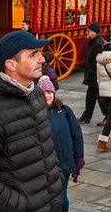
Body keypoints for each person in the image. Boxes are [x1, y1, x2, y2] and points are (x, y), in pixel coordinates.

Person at [0, 30, 64, 212]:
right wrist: (23, 204)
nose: (42, 60)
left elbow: (45, 149)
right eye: (33, 55)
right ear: (11, 64)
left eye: (39, 53)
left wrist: (57, 181)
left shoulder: (37, 95)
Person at [41, 78, 84, 212]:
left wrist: (79, 158)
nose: (47, 95)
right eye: (43, 93)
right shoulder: (36, 115)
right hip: (46, 167)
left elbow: (76, 134)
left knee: (62, 199)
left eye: (49, 92)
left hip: (64, 163)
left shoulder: (65, 111)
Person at [79, 23, 107, 124]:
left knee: (100, 97)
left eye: (89, 31)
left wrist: (93, 73)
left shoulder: (98, 43)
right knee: (90, 96)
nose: (87, 33)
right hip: (92, 74)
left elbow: (98, 61)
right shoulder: (93, 41)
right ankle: (86, 116)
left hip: (96, 75)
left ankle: (108, 116)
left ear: (95, 32)